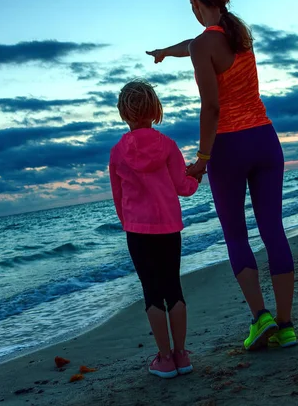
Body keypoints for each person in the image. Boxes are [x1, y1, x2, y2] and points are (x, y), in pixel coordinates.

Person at [146, 0, 297, 351]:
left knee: (235, 234)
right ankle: (286, 325)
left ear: (196, 4)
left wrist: (202, 158)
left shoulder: (204, 45)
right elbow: (195, 45)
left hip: (229, 147)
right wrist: (167, 51)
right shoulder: (238, 32)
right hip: (265, 140)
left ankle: (259, 318)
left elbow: (210, 107)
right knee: (273, 229)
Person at [109, 80, 199, 378]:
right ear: (155, 110)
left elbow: (119, 198)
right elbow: (182, 187)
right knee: (173, 287)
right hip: (168, 226)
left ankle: (164, 358)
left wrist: (128, 224)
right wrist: (196, 176)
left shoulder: (118, 152)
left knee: (152, 292)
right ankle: (182, 355)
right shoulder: (168, 146)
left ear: (124, 113)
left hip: (138, 231)